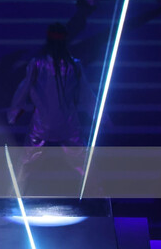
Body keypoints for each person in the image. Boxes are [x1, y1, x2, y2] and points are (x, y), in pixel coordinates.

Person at [7, 23, 98, 190]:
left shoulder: (37, 64)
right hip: (68, 123)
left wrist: (14, 112)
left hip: (42, 124)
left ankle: (13, 196)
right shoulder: (74, 65)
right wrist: (100, 117)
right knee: (82, 162)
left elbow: (24, 88)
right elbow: (86, 93)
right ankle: (98, 195)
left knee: (26, 163)